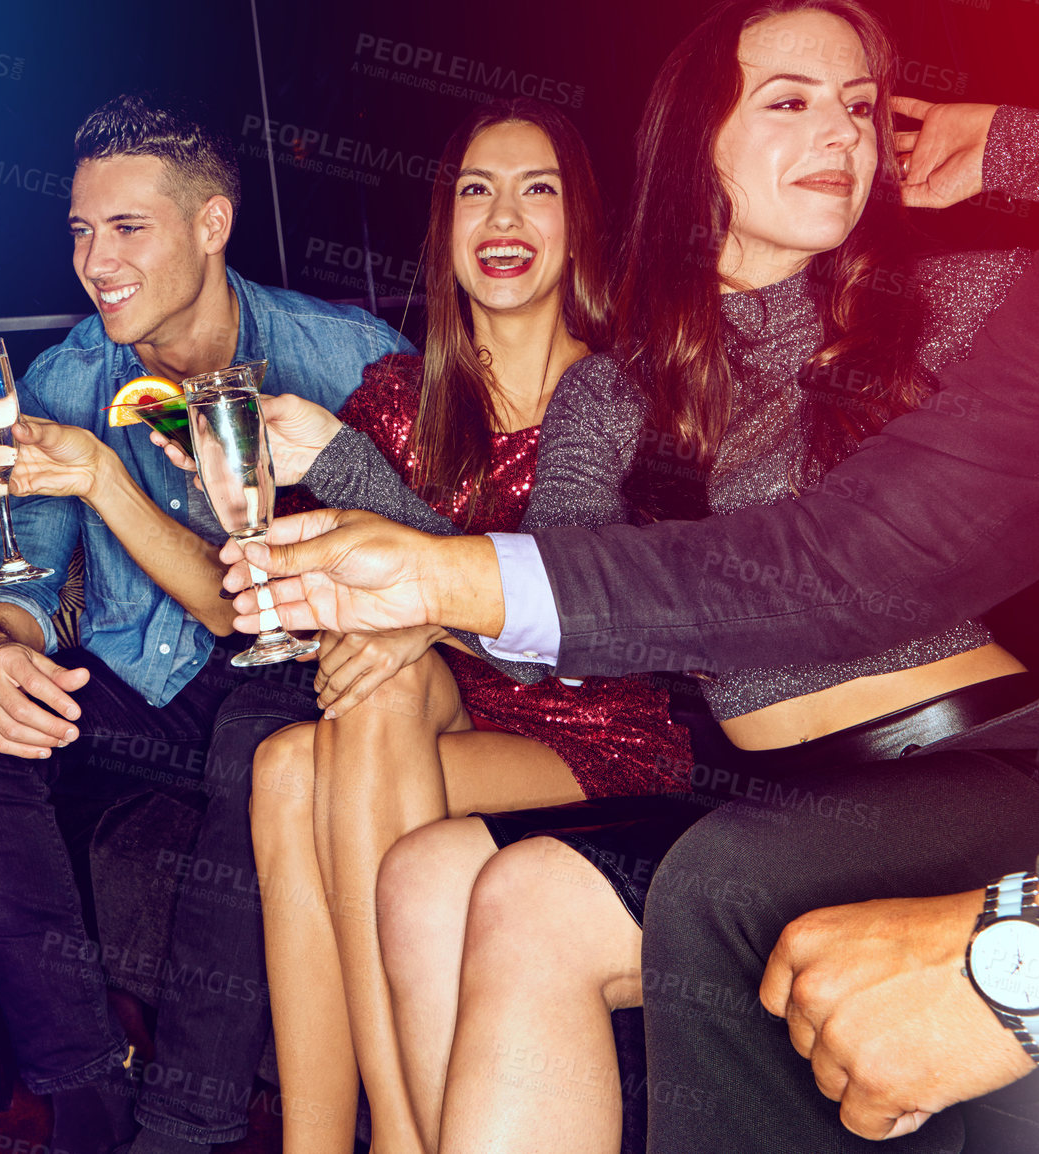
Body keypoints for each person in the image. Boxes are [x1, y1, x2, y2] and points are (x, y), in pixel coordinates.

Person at [222, 84, 1039, 1154]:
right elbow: (563, 570)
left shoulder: (941, 299)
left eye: (858, 105)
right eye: (788, 101)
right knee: (429, 870)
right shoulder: (620, 383)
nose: (836, 129)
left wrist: (1017, 140)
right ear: (701, 153)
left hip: (962, 743)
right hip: (774, 783)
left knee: (530, 856)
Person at [0, 93, 409, 1154]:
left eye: (127, 227)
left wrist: (106, 483)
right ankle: (88, 1093)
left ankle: (188, 1119)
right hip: (156, 685)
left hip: (303, 666)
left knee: (262, 728)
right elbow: (14, 568)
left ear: (211, 224)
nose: (97, 261)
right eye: (82, 232)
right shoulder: (67, 376)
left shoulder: (349, 359)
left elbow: (392, 566)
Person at [217, 99, 691, 1154]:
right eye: (476, 189)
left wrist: (367, 518)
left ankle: (404, 1134)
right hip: (445, 716)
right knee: (292, 756)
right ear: (443, 229)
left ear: (581, 225)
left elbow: (558, 615)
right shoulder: (393, 394)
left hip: (592, 736)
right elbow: (331, 577)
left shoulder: (614, 388)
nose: (502, 214)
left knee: (341, 719)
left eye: (538, 188)